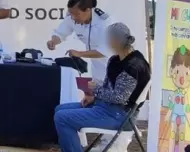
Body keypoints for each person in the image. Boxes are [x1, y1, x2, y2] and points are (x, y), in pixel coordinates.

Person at [53, 23, 150, 152]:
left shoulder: (133, 65)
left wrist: (96, 90)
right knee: (59, 109)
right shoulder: (115, 60)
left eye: (107, 39)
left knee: (62, 118)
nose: (105, 43)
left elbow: (119, 97)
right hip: (107, 106)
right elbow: (109, 88)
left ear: (115, 41)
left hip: (119, 114)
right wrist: (94, 97)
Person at [47, 0, 113, 81]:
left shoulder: (105, 23)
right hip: (98, 71)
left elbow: (106, 50)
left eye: (77, 14)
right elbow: (61, 33)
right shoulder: (72, 18)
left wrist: (79, 53)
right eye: (71, 14)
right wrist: (53, 41)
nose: (73, 17)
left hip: (115, 68)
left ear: (88, 10)